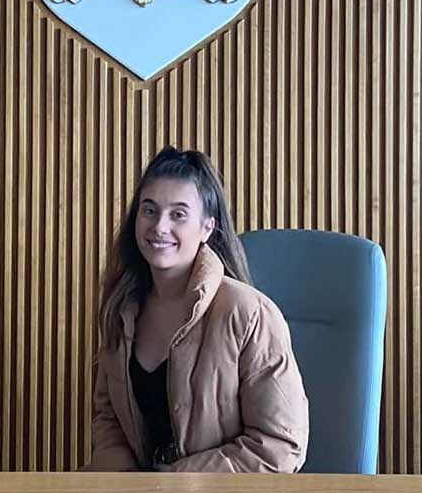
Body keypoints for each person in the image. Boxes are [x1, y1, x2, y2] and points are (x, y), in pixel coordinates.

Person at [83, 147, 308, 472]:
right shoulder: (122, 306)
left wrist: (173, 483)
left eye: (178, 214)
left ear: (207, 227)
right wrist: (126, 486)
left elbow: (278, 447)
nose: (159, 226)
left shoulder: (249, 314)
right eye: (149, 211)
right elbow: (109, 420)